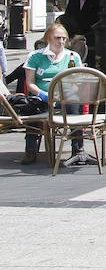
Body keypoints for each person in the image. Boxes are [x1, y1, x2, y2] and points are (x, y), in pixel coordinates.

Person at [17, 23, 84, 165]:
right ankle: (30, 150)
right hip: (42, 95)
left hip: (64, 96)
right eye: (57, 38)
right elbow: (29, 83)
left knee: (73, 101)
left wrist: (66, 93)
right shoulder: (35, 56)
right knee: (33, 105)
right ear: (48, 38)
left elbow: (78, 83)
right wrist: (42, 94)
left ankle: (78, 149)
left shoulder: (73, 56)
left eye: (63, 38)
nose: (61, 41)